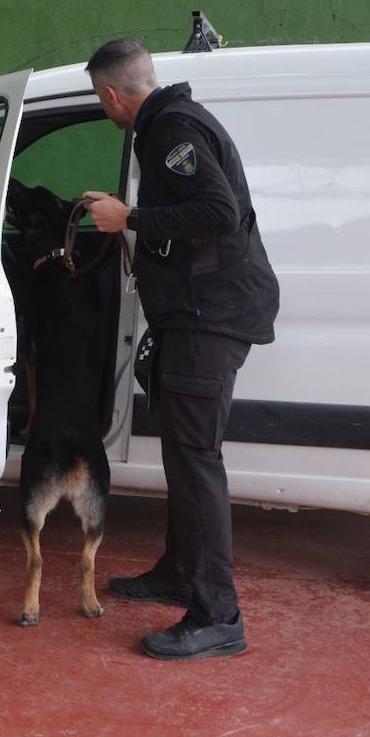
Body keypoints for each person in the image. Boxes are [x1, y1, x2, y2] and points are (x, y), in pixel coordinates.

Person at [82, 38, 279, 660]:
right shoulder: (170, 125)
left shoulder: (173, 130)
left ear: (113, 94)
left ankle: (219, 616)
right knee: (183, 456)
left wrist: (129, 219)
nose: (103, 108)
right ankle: (177, 573)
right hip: (195, 317)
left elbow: (219, 213)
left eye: (99, 98)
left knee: (197, 463)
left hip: (210, 319)